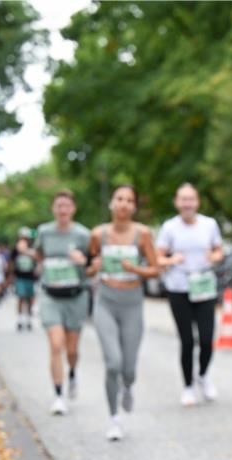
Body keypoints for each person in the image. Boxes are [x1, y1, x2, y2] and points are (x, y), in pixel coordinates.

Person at [87, 185, 161, 440]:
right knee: (113, 362)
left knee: (128, 368)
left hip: (132, 303)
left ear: (134, 207)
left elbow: (155, 269)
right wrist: (92, 266)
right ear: (111, 203)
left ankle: (127, 386)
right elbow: (87, 268)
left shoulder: (142, 234)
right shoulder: (98, 234)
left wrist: (136, 269)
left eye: (130, 200)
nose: (124, 204)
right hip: (106, 301)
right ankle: (114, 418)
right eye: (119, 199)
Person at [155, 183, 225, 406]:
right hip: (179, 288)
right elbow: (158, 258)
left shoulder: (209, 224)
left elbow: (219, 250)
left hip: (204, 285)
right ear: (177, 202)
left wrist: (214, 257)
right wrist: (171, 260)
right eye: (183, 199)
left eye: (191, 199)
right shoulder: (169, 227)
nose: (187, 204)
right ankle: (187, 386)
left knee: (206, 339)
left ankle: (203, 375)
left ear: (197, 202)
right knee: (187, 340)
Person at [34, 190, 92, 416]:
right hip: (51, 295)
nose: (63, 210)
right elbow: (39, 254)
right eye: (59, 206)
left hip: (76, 296)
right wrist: (47, 267)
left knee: (71, 349)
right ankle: (58, 395)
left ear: (73, 209)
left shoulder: (83, 235)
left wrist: (83, 261)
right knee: (55, 345)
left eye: (67, 206)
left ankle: (73, 372)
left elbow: (93, 263)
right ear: (53, 209)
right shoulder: (44, 232)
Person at [11, 227, 38, 331]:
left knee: (30, 298)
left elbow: (37, 260)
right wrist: (11, 276)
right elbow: (12, 263)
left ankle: (28, 319)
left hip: (31, 277)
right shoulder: (15, 249)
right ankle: (20, 319)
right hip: (20, 277)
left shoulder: (32, 248)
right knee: (21, 298)